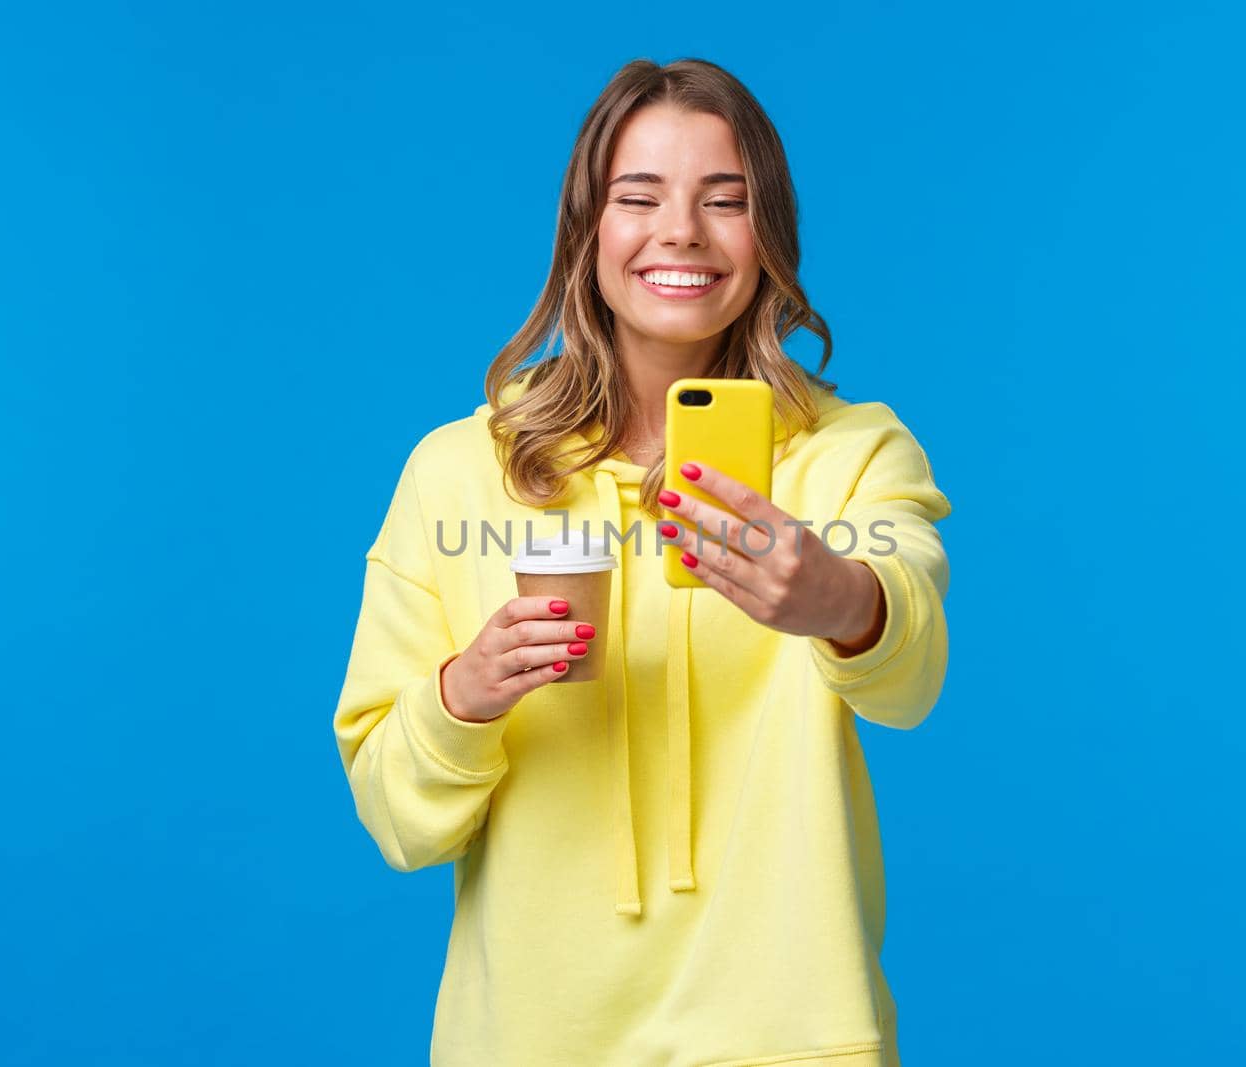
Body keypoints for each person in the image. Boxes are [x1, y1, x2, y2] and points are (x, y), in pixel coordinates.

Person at [332, 58, 953, 1067]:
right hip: (527, 1041)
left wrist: (839, 595)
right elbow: (397, 819)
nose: (681, 233)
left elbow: (910, 674)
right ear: (587, 231)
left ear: (770, 234)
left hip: (795, 1039)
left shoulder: (850, 452)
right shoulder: (457, 471)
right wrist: (464, 694)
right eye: (638, 198)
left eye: (726, 200)